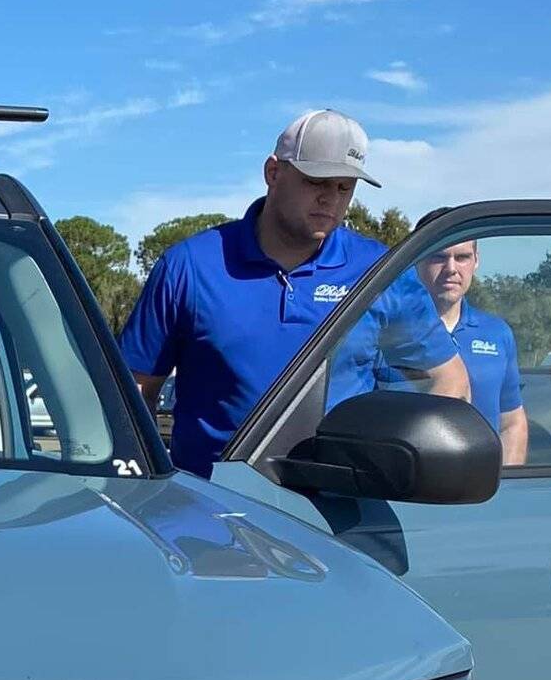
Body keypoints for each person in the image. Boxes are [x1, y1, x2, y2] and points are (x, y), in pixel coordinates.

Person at [119, 110, 469, 475]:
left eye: (344, 187)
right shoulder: (190, 266)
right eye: (316, 181)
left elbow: (450, 379)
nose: (331, 199)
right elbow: (136, 392)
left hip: (345, 514)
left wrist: (402, 470)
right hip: (213, 514)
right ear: (273, 172)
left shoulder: (380, 272)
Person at [413, 240, 526, 466]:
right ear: (417, 262)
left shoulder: (497, 333)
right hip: (407, 488)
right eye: (439, 257)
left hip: (481, 491)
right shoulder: (391, 333)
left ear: (476, 261)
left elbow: (512, 423)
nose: (451, 269)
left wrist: (504, 487)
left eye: (462, 257)